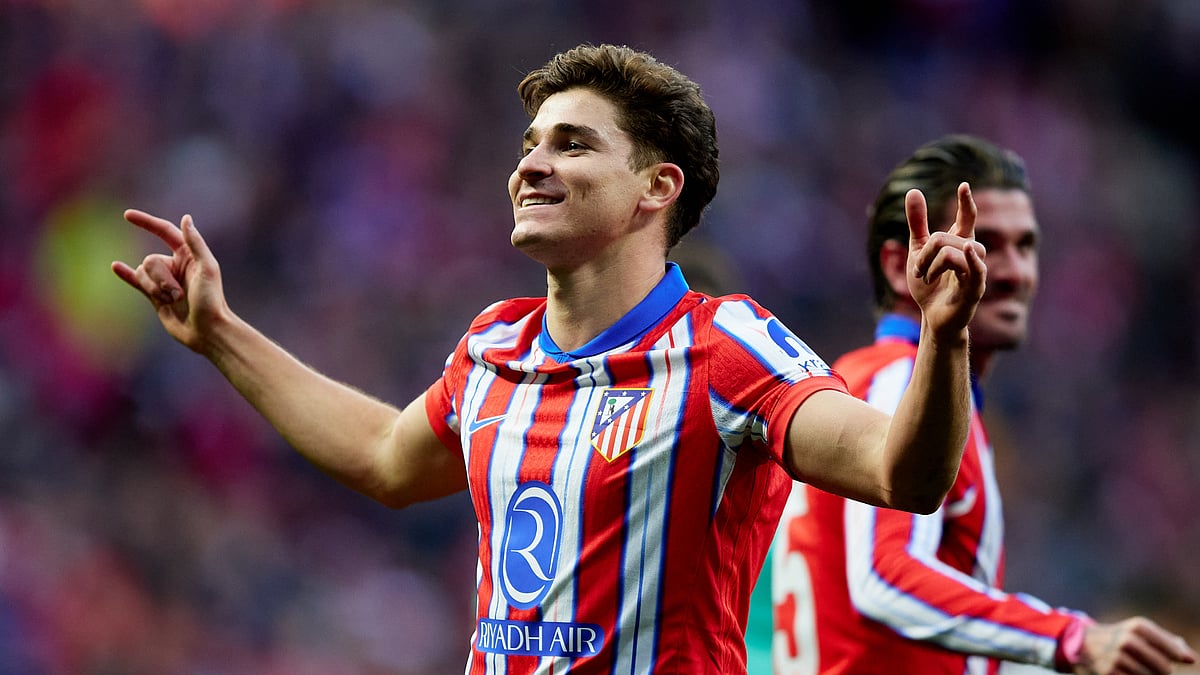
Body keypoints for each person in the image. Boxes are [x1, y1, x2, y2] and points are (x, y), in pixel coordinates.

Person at [111, 44, 987, 674]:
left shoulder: (726, 348)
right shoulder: (495, 345)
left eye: (571, 143)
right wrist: (220, 331)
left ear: (657, 187)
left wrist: (942, 338)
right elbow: (385, 457)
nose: (531, 163)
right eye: (531, 142)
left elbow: (902, 475)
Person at [759, 134, 1197, 675]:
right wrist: (1073, 638)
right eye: (984, 244)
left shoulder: (852, 383)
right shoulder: (895, 384)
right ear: (901, 267)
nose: (1013, 273)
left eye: (1026, 245)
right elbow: (884, 579)